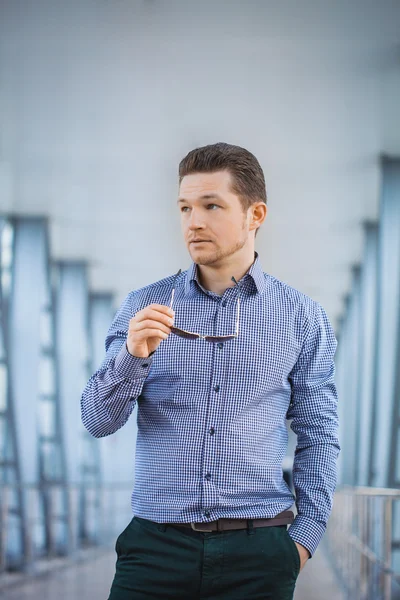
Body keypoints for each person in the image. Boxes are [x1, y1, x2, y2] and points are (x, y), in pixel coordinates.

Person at [81, 142, 340, 600]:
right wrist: (133, 354)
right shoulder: (143, 307)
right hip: (154, 548)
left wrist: (304, 539)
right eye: (184, 207)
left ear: (255, 215)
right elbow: (97, 422)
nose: (193, 221)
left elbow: (319, 433)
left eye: (211, 206)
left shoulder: (302, 317)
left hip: (260, 548)